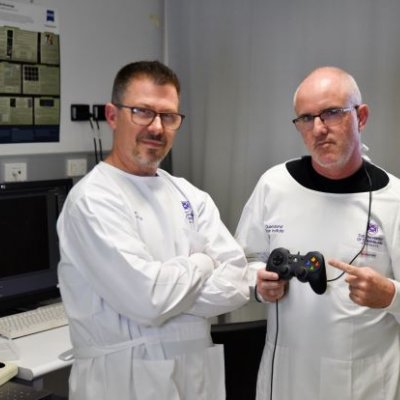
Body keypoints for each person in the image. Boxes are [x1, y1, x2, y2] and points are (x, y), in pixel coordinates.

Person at [57, 60, 249, 400]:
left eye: (169, 116)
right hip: (123, 381)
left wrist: (165, 294)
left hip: (196, 376)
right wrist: (203, 265)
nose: (157, 127)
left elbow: (236, 286)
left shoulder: (190, 195)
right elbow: (149, 301)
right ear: (113, 116)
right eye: (143, 112)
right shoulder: (92, 200)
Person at [235, 66, 400, 400]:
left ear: (361, 117)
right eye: (306, 118)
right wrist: (257, 280)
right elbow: (242, 262)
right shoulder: (274, 185)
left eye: (332, 114)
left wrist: (391, 295)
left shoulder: (393, 198)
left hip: (365, 382)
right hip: (287, 379)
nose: (319, 129)